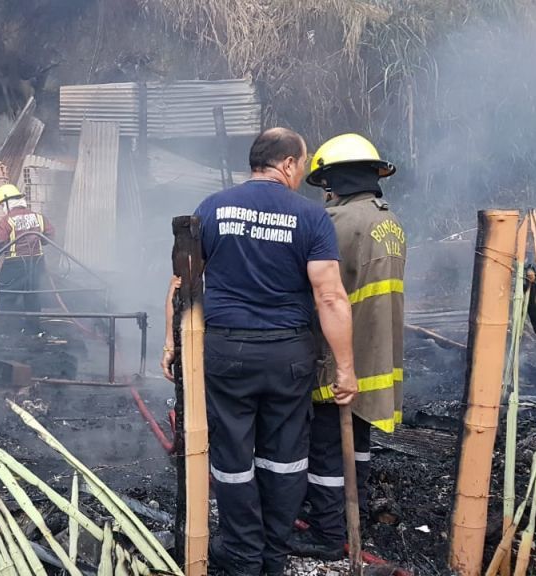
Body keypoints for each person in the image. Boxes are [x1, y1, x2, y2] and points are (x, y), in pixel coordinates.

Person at [163, 128, 358, 575]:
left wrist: (172, 342)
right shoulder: (311, 217)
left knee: (232, 457)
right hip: (288, 355)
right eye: (302, 164)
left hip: (226, 352)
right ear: (287, 163)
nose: (302, 173)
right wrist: (345, 368)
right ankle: (273, 553)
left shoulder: (212, 208)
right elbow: (330, 296)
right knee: (285, 458)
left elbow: (182, 283)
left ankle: (242, 553)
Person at [291, 133, 406, 560]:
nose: (325, 193)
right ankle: (347, 512)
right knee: (356, 442)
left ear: (334, 180)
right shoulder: (389, 222)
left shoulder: (337, 223)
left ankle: (327, 534)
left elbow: (318, 290)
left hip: (339, 358)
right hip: (378, 358)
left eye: (325, 184)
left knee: (324, 449)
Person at [0, 184, 54, 334]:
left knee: (4, 296)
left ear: (8, 202)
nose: (2, 209)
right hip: (37, 263)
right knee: (32, 296)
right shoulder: (39, 217)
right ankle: (33, 330)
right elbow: (50, 237)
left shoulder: (7, 220)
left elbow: (0, 242)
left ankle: (2, 332)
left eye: (2, 205)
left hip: (15, 264)